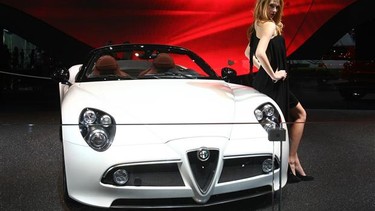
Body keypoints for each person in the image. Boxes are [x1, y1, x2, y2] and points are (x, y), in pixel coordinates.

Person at [245, 0, 313, 183]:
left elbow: (247, 53)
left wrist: (264, 72)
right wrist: (273, 75)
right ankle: (288, 164)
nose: (274, 10)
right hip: (274, 83)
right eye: (271, 5)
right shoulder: (268, 25)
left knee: (289, 119)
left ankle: (292, 161)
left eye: (277, 6)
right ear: (263, 5)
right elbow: (259, 53)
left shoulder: (258, 25)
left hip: (266, 82)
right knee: (282, 123)